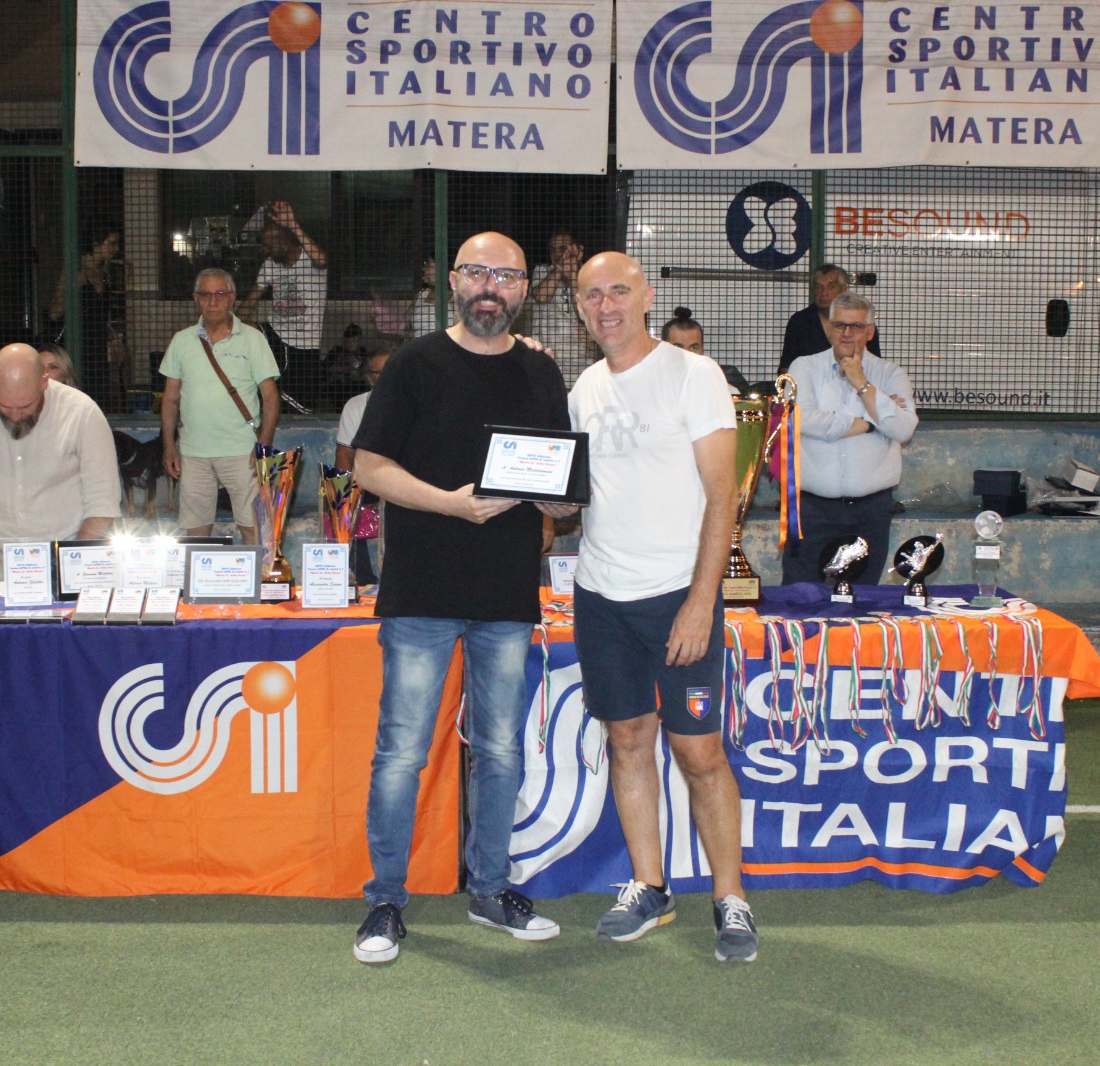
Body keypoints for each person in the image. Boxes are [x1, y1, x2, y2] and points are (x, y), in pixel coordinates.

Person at [348, 231, 569, 964]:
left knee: (500, 751)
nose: (490, 287)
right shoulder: (413, 364)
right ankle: (385, 900)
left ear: (524, 289)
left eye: (506, 275)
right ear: (452, 280)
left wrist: (565, 501)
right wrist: (450, 503)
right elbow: (369, 467)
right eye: (477, 271)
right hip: (421, 591)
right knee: (401, 753)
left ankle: (491, 889)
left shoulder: (542, 370)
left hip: (506, 592)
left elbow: (560, 483)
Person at [559, 251, 759, 963]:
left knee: (699, 752)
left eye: (619, 291)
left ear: (646, 296)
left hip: (678, 595)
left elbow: (724, 497)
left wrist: (702, 601)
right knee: (627, 741)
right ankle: (650, 885)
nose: (606, 305)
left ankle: (731, 898)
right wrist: (545, 498)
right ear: (579, 309)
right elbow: (580, 495)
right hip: (600, 595)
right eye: (592, 295)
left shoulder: (693, 374)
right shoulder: (583, 389)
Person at [0, 344, 120, 584]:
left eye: (25, 406)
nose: (15, 416)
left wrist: (73, 564)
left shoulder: (82, 413)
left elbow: (102, 502)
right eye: (5, 407)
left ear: (44, 382)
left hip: (65, 563)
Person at [780, 292, 917, 586]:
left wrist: (862, 383)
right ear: (829, 328)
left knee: (863, 599)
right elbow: (801, 419)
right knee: (799, 596)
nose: (846, 333)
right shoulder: (803, 367)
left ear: (870, 332)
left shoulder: (891, 374)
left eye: (855, 326)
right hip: (812, 508)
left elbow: (903, 429)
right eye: (839, 325)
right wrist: (872, 422)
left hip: (871, 510)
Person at [160, 269, 281, 544]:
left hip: (242, 452)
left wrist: (263, 445)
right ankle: (198, 575)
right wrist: (169, 447)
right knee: (196, 531)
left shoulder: (253, 339)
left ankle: (258, 575)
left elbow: (271, 397)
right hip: (193, 452)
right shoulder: (181, 341)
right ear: (196, 298)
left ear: (232, 298)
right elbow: (170, 399)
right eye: (205, 294)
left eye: (220, 294)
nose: (212, 301)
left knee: (253, 528)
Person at [253, 201, 327, 411]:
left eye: (269, 245)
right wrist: (229, 327)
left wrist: (293, 225)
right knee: (247, 328)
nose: (265, 250)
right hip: (275, 334)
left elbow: (321, 261)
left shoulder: (309, 259)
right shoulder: (269, 265)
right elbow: (251, 299)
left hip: (304, 342)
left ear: (283, 242)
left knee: (300, 406)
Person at [48, 221, 125, 412]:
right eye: (111, 242)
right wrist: (72, 288)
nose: (116, 248)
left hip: (97, 347)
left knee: (97, 399)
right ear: (96, 242)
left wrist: (113, 337)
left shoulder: (103, 273)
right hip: (77, 345)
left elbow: (101, 316)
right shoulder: (73, 270)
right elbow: (54, 312)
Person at [334, 343, 393, 584]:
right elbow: (344, 456)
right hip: (368, 481)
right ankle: (362, 580)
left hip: (407, 482)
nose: (387, 377)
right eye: (378, 373)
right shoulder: (356, 406)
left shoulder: (420, 402)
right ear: (368, 378)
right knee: (341, 508)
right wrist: (342, 495)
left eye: (392, 369)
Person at [778, 264, 882, 372]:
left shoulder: (862, 322)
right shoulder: (799, 322)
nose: (824, 293)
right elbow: (786, 369)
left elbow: (875, 366)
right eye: (818, 287)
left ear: (844, 289)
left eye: (831, 287)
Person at [529, 230, 590, 372]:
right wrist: (559, 269)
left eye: (562, 249)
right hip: (546, 360)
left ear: (577, 250)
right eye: (553, 250)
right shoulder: (542, 271)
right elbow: (541, 297)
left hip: (580, 363)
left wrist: (573, 271)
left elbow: (583, 313)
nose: (557, 254)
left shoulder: (588, 275)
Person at [660, 307, 746, 395]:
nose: (687, 354)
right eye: (678, 348)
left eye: (693, 348)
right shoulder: (653, 387)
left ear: (702, 350)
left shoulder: (724, 392)